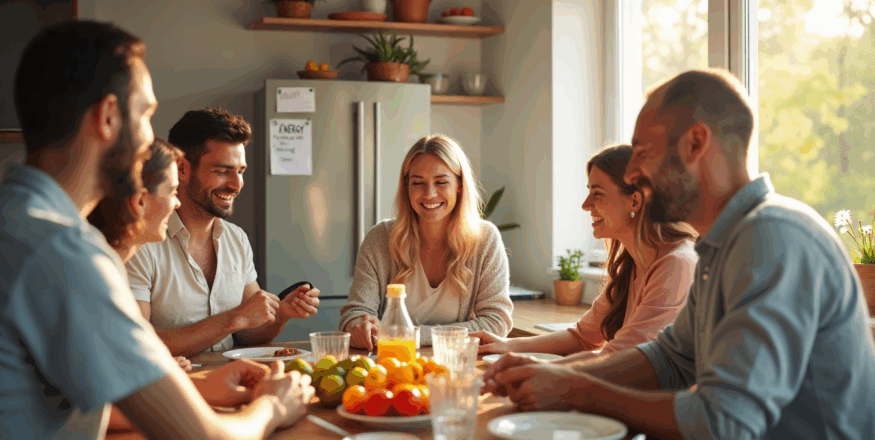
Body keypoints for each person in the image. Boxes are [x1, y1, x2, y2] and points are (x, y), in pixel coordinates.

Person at [482, 68, 875, 439]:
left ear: (695, 144)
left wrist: (576, 390)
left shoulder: (770, 239)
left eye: (642, 152)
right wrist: (555, 375)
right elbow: (670, 357)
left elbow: (723, 423)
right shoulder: (722, 246)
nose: (633, 173)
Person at [1, 20, 312, 440]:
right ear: (108, 117)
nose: (152, 142)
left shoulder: (17, 218)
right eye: (146, 113)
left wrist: (203, 385)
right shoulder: (65, 253)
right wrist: (274, 405)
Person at [471, 144, 697, 360]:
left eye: (597, 194)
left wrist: (538, 367)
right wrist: (507, 345)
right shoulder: (631, 264)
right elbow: (583, 336)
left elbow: (625, 356)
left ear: (635, 201)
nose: (586, 204)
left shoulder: (677, 264)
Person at [127, 108, 321, 358]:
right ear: (182, 169)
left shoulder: (236, 239)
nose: (236, 184)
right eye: (221, 171)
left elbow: (250, 332)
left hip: (230, 381)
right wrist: (234, 318)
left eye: (240, 171)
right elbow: (136, 341)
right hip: (174, 387)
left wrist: (282, 313)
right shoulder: (142, 241)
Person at [340, 134, 513, 350]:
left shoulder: (485, 239)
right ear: (406, 187)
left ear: (459, 184)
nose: (429, 193)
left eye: (441, 182)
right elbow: (355, 312)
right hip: (391, 366)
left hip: (454, 365)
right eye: (418, 183)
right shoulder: (380, 238)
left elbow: (496, 323)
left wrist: (414, 336)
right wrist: (358, 325)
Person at [88, 138, 191, 372]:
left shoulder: (110, 268)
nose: (177, 203)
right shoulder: (97, 278)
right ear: (141, 201)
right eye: (173, 191)